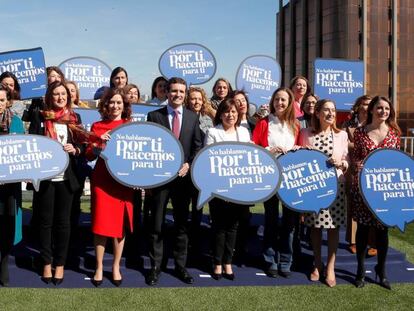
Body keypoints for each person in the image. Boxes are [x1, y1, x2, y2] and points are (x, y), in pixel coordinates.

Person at [145, 77, 202, 286]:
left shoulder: (192, 117)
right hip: (160, 182)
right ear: (166, 92)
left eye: (181, 91)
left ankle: (180, 266)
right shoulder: (154, 116)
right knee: (157, 225)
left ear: (185, 94)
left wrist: (188, 163)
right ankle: (154, 268)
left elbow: (197, 146)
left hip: (183, 180)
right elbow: (148, 148)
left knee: (181, 225)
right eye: (174, 91)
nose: (178, 94)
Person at [34, 81, 85, 285]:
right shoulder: (40, 116)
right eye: (56, 94)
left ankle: (60, 264)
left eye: (63, 94)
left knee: (64, 223)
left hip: (67, 178)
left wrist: (76, 149)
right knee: (45, 223)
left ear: (68, 96)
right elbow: (33, 144)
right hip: (46, 178)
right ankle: (46, 262)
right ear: (50, 96)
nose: (60, 97)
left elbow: (82, 143)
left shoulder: (74, 117)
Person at [85, 88, 133, 287]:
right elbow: (88, 155)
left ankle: (115, 266)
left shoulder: (130, 126)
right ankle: (98, 267)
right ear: (105, 105)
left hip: (123, 182)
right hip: (103, 181)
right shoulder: (97, 126)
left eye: (119, 103)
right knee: (100, 225)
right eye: (111, 102)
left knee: (119, 227)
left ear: (125, 106)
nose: (115, 106)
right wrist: (98, 142)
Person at [352, 96, 401, 290]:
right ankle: (360, 270)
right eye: (379, 108)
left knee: (382, 231)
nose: (383, 111)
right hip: (364, 188)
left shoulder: (395, 134)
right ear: (371, 110)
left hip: (386, 190)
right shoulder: (360, 132)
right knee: (363, 230)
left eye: (386, 109)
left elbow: (397, 162)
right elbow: (355, 158)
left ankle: (381, 271)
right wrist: (356, 165)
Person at [299, 99, 349, 287]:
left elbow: (346, 160)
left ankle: (330, 267)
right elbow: (301, 159)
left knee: (333, 227)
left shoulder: (342, 135)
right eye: (326, 110)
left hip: (336, 186)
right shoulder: (306, 133)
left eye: (333, 110)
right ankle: (317, 263)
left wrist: (342, 163)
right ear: (317, 113)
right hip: (313, 188)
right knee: (315, 227)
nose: (330, 113)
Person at [252, 87, 300, 278]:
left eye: (284, 100)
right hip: (269, 177)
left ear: (289, 103)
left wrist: (297, 148)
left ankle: (286, 261)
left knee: (289, 223)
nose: (280, 103)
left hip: (291, 180)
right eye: (277, 99)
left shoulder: (295, 125)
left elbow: (301, 148)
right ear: (272, 101)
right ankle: (270, 260)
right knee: (270, 220)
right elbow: (254, 147)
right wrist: (268, 150)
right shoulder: (264, 123)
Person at [204, 99, 251, 280]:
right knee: (219, 227)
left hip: (238, 189)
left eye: (233, 112)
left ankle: (228, 263)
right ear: (220, 114)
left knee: (233, 227)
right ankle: (217, 263)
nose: (230, 115)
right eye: (226, 112)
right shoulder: (213, 132)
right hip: (217, 188)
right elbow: (209, 158)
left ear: (238, 114)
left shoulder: (244, 132)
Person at [342, 95, 377, 256]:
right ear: (358, 106)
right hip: (353, 169)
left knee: (372, 205)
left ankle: (372, 242)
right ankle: (354, 241)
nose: (367, 106)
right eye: (364, 103)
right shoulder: (348, 124)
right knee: (353, 205)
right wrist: (359, 144)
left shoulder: (374, 124)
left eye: (370, 104)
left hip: (372, 169)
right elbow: (342, 142)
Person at [185, 86, 215, 255]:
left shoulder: (209, 119)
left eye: (199, 99)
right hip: (186, 167)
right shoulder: (183, 117)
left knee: (198, 207)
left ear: (203, 100)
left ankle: (196, 243)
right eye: (193, 98)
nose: (196, 101)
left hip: (203, 169)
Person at [0, 85, 24, 286]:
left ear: (8, 101)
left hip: (10, 185)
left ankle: (4, 262)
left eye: (1, 100)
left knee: (8, 223)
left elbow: (24, 153)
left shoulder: (16, 122)